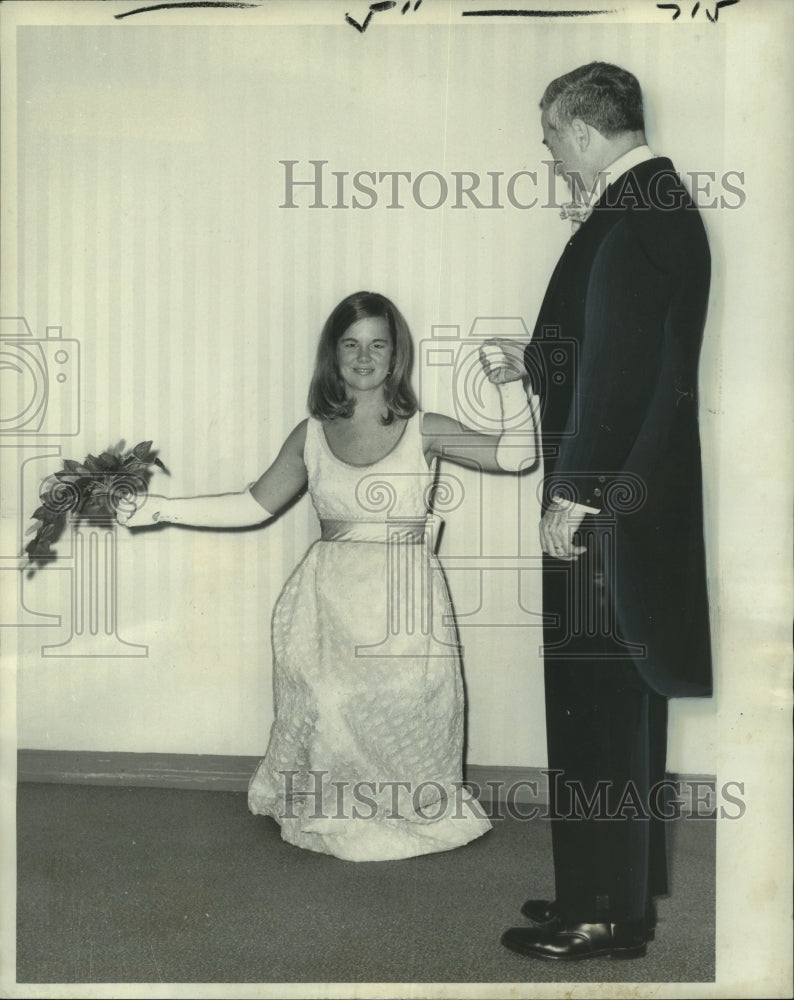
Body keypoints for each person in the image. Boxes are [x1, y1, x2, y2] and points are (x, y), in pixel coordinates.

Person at [120, 290, 538, 862]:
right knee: (330, 701)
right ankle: (334, 802)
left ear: (396, 357)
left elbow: (517, 457)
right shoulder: (311, 434)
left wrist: (511, 385)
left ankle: (410, 805)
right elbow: (253, 504)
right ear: (332, 354)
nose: (364, 358)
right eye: (351, 344)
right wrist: (159, 508)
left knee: (410, 702)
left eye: (377, 345)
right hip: (327, 600)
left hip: (404, 600)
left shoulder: (425, 429)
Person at [495, 63, 713, 960]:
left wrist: (578, 491)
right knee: (599, 702)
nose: (550, 157)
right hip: (618, 498)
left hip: (605, 505)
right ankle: (601, 892)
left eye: (550, 139)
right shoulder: (653, 204)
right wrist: (538, 363)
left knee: (600, 701)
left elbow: (628, 372)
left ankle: (608, 914)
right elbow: (614, 352)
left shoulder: (638, 211)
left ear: (582, 131)